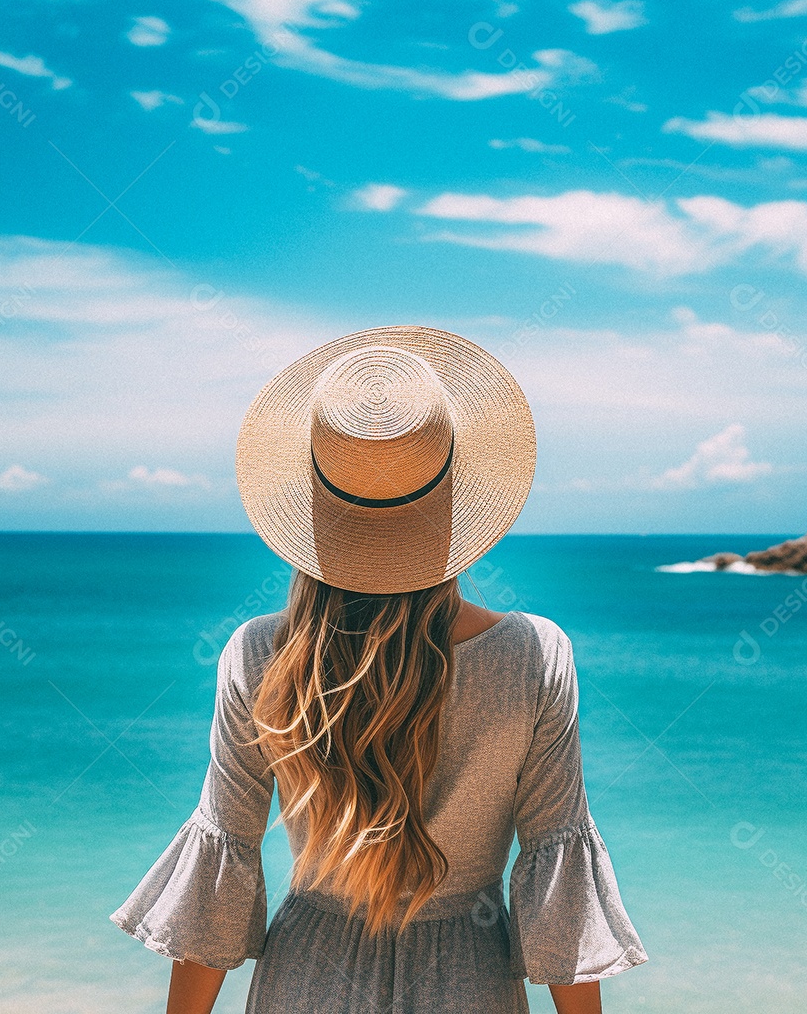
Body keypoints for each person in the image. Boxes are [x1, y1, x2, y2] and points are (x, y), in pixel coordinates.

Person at [110, 326, 647, 1013]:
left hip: (308, 978)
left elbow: (223, 871)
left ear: (311, 503)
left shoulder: (259, 654)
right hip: (468, 981)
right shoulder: (533, 656)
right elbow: (555, 881)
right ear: (459, 498)